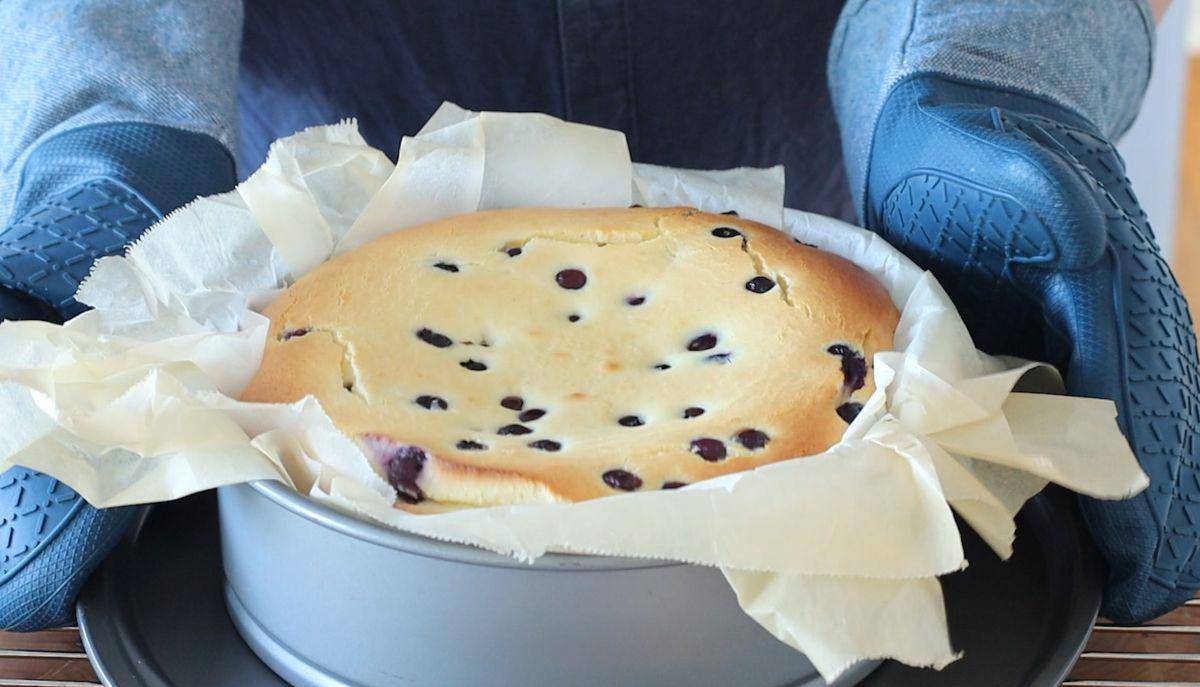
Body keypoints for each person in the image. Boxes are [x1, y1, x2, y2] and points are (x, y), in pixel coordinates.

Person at [0, 0, 1193, 628]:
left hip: (830, 207)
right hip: (283, 242)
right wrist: (104, 114)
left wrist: (996, 47)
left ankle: (967, 111)